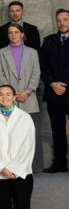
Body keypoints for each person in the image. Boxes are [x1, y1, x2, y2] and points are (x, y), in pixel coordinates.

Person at [0, 23, 43, 170]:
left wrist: (27, 91)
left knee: (30, 134)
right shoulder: (0, 53)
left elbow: (36, 74)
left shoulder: (32, 52)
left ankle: (33, 166)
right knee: (8, 135)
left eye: (16, 32)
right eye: (10, 32)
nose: (13, 35)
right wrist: (12, 94)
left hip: (29, 98)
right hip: (9, 99)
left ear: (22, 34)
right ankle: (10, 166)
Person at [39, 9, 69, 173]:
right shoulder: (49, 40)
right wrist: (52, 83)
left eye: (65, 20)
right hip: (53, 94)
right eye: (59, 20)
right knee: (57, 131)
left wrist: (64, 85)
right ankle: (60, 163)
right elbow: (42, 66)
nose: (61, 23)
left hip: (68, 92)